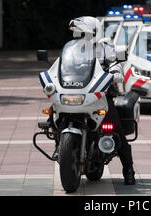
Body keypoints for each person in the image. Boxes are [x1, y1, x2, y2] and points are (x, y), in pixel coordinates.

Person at [47, 16, 136, 185]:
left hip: (99, 94)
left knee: (116, 126)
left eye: (82, 32)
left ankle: (128, 170)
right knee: (52, 113)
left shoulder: (104, 47)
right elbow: (60, 66)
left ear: (93, 32)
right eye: (77, 33)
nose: (78, 36)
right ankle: (60, 145)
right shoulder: (72, 49)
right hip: (75, 91)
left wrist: (116, 72)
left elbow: (115, 63)